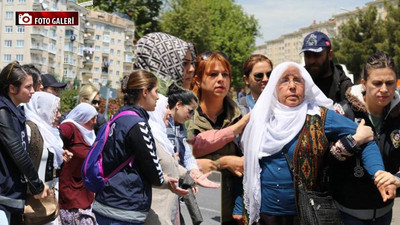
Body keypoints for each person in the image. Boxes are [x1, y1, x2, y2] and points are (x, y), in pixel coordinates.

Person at [241, 61, 394, 225]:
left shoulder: (319, 116)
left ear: (306, 85)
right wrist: (238, 206)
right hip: (266, 214)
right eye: (284, 80)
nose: (292, 86)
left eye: (298, 80)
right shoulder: (261, 118)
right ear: (274, 86)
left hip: (306, 214)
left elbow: (367, 140)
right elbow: (247, 166)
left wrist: (378, 175)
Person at [92, 70, 187, 225]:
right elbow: (153, 170)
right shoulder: (138, 124)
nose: (157, 96)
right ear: (144, 92)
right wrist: (167, 179)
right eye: (155, 91)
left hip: (106, 201)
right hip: (124, 208)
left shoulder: (117, 119)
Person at [330, 51, 400, 224]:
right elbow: (326, 158)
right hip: (347, 214)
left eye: (390, 83)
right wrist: (354, 141)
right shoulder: (341, 112)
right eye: (377, 83)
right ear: (363, 83)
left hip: (385, 213)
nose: (384, 89)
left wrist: (397, 178)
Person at [188, 51, 250, 225]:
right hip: (194, 210)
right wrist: (224, 161)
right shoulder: (184, 115)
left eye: (225, 74)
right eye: (213, 74)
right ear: (198, 80)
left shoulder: (241, 115)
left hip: (231, 213)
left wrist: (241, 207)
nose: (221, 79)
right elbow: (181, 160)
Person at [145, 94, 218, 225]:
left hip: (172, 192)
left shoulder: (178, 127)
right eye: (190, 111)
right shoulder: (152, 131)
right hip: (159, 198)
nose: (191, 116)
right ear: (178, 105)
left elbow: (186, 154)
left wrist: (192, 174)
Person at [0, 61, 49, 224]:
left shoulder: (15, 111)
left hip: (11, 195)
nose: (33, 91)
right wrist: (37, 185)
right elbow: (18, 152)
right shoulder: (2, 111)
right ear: (12, 88)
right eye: (28, 87)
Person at [24, 91, 72, 225]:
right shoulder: (29, 130)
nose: (58, 115)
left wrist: (59, 157)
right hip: (32, 197)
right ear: (42, 110)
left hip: (48, 197)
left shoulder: (52, 133)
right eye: (55, 111)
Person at [58, 103, 98, 224]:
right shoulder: (69, 127)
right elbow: (53, 140)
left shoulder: (89, 133)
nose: (95, 122)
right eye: (92, 118)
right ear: (83, 117)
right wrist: (61, 152)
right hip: (71, 195)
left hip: (84, 192)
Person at [301, 31, 353, 103]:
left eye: (317, 55)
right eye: (307, 55)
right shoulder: (299, 82)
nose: (311, 61)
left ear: (330, 55)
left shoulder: (345, 88)